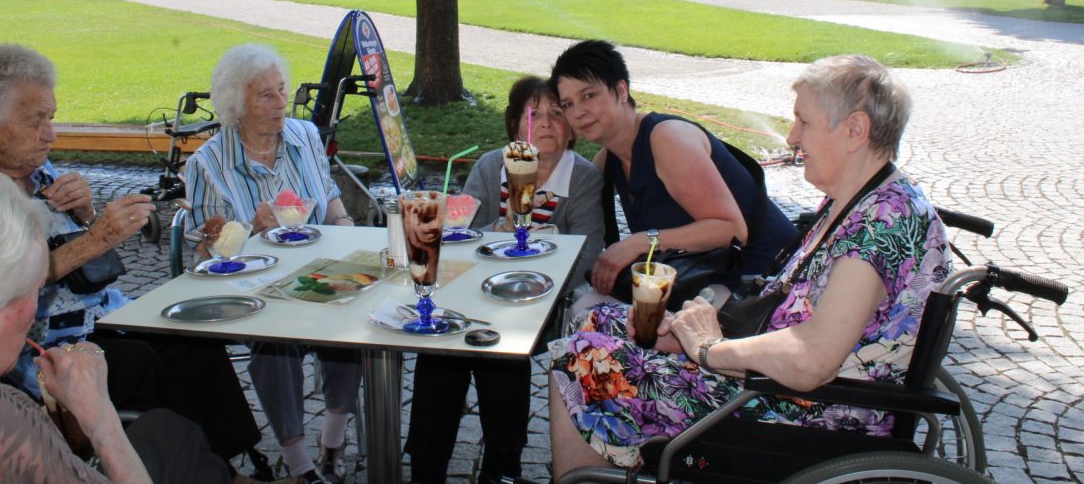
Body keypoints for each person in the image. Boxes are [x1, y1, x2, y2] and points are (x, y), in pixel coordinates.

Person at [548, 54, 953, 475]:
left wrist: (710, 349)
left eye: (804, 122)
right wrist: (693, 333)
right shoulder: (857, 201)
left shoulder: (882, 222)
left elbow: (812, 358)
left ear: (855, 129)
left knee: (581, 359)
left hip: (809, 413)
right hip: (776, 380)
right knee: (597, 323)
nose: (792, 137)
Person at [0, 43, 264, 479]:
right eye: (36, 120)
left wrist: (85, 216)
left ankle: (225, 463)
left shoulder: (35, 173)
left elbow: (88, 273)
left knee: (192, 341)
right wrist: (96, 238)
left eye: (51, 116)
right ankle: (188, 467)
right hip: (21, 350)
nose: (51, 133)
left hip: (96, 319)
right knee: (140, 362)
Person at [0, 165, 232, 484]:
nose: (34, 312)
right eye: (34, 289)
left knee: (167, 430)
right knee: (185, 449)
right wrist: (100, 420)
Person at [406, 76, 606, 484]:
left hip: (542, 305)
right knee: (442, 349)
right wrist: (505, 224)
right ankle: (428, 459)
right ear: (516, 124)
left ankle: (503, 459)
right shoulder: (489, 166)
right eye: (534, 115)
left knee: (500, 346)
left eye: (557, 113)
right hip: (472, 293)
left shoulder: (583, 179)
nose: (546, 123)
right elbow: (463, 236)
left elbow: (587, 254)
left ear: (570, 127)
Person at [184, 43, 360, 484]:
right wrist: (246, 229)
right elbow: (206, 254)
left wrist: (347, 225)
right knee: (272, 344)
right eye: (266, 95)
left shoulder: (304, 135)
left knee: (354, 329)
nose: (281, 102)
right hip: (258, 288)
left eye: (282, 90)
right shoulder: (208, 164)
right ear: (235, 106)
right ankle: (300, 464)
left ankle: (333, 444)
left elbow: (330, 196)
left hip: (322, 272)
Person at [550, 40, 798, 306]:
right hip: (699, 280)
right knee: (582, 306)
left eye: (589, 95)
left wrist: (640, 242)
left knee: (590, 314)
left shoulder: (668, 139)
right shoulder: (608, 160)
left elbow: (732, 229)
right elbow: (563, 205)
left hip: (769, 281)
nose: (578, 112)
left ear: (621, 90)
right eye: (567, 104)